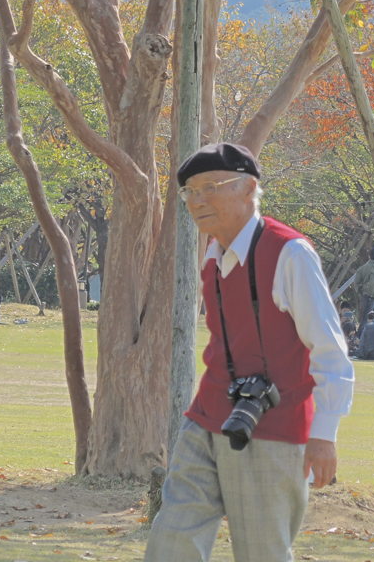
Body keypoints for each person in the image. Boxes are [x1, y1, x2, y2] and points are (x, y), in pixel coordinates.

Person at [145, 142, 354, 562]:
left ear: (248, 188)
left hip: (274, 427)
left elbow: (330, 349)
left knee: (262, 552)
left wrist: (324, 435)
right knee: (172, 538)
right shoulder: (212, 256)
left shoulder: (289, 253)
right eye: (189, 191)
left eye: (211, 187)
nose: (198, 200)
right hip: (206, 418)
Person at [352, 246, 374, 328]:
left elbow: (356, 283)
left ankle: (369, 336)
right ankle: (359, 337)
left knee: (373, 319)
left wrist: (361, 291)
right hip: (370, 297)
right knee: (366, 320)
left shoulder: (362, 268)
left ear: (369, 256)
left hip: (367, 296)